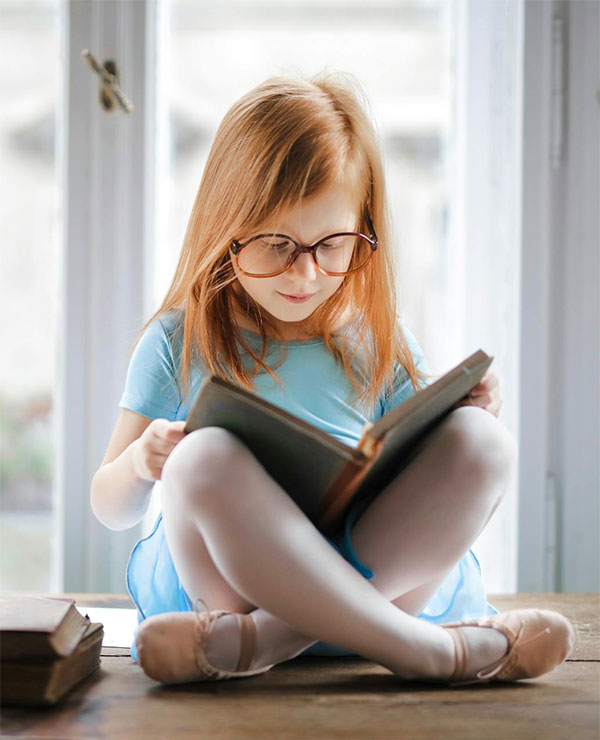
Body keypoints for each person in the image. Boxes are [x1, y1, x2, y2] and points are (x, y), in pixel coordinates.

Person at [91, 72, 574, 686]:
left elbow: (435, 460)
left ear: (362, 231)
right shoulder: (179, 339)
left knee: (484, 441)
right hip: (231, 590)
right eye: (274, 245)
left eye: (333, 245)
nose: (306, 274)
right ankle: (429, 653)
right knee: (199, 459)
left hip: (364, 586)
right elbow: (108, 507)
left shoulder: (377, 335)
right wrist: (140, 463)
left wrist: (473, 408)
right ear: (225, 229)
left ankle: (269, 641)